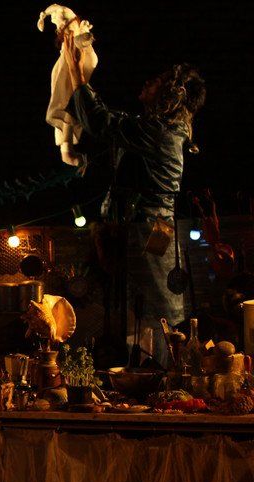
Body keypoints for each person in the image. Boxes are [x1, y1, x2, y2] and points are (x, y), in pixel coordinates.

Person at [62, 34, 206, 365]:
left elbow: (101, 121)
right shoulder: (158, 129)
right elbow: (112, 126)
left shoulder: (159, 132)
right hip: (146, 228)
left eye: (156, 82)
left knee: (150, 312)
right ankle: (139, 372)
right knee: (137, 309)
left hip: (148, 232)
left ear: (170, 94)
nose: (147, 83)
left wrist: (76, 71)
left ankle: (156, 377)